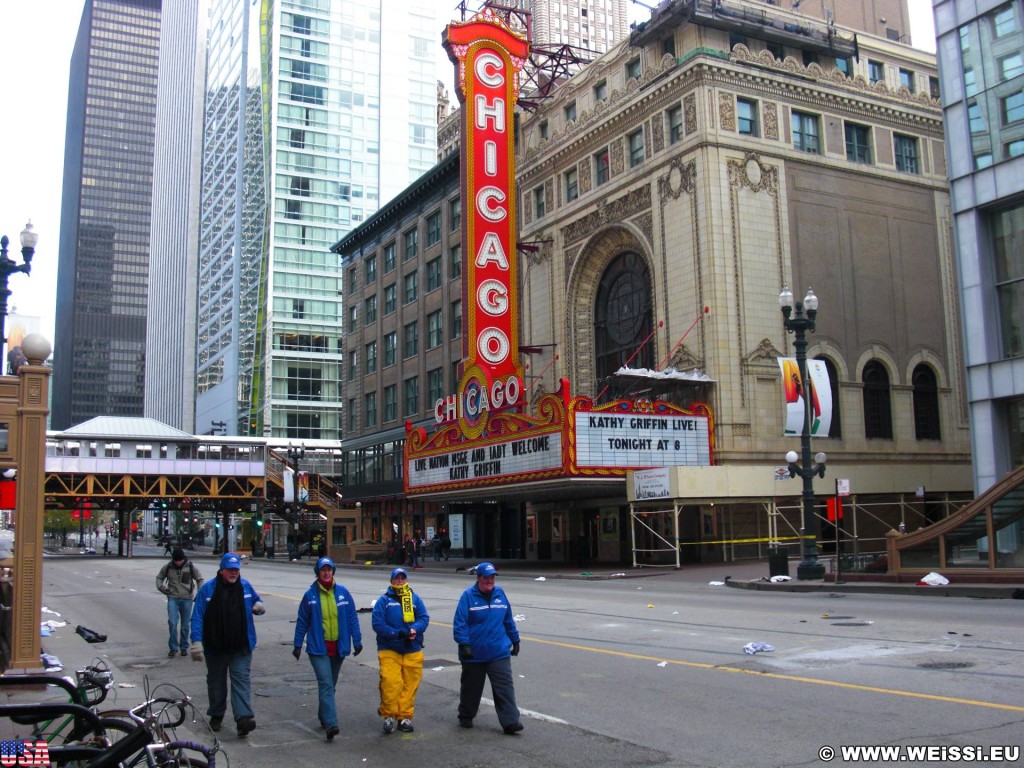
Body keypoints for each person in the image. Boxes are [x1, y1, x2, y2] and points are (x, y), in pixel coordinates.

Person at [190, 552, 265, 737]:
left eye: (236, 570)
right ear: (222, 570)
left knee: (241, 681)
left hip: (240, 646)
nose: (234, 573)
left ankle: (243, 719)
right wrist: (197, 642)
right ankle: (216, 713)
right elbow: (197, 616)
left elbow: (256, 600)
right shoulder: (208, 589)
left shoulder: (245, 586)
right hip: (215, 646)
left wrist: (259, 606)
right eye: (230, 570)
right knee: (217, 683)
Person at [292, 557, 363, 741]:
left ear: (333, 571)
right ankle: (331, 724)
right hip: (318, 648)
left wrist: (357, 640)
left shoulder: (343, 593)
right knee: (326, 684)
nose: (326, 573)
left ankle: (323, 715)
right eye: (323, 570)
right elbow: (302, 621)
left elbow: (352, 619)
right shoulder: (310, 596)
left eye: (329, 570)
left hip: (338, 648)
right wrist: (298, 644)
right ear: (318, 572)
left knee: (330, 686)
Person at [452, 562, 523, 734]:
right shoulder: (468, 596)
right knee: (471, 689)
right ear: (479, 578)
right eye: (486, 578)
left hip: (498, 652)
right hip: (474, 654)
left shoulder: (500, 594)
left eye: (492, 578)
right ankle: (466, 715)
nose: (489, 581)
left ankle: (511, 722)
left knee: (505, 689)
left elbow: (508, 619)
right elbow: (459, 623)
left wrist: (515, 640)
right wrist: (464, 644)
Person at [371, 567, 429, 734]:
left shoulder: (414, 598)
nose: (400, 581)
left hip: (412, 648)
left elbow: (424, 618)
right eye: (397, 579)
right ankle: (389, 715)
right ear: (391, 581)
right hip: (389, 648)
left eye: (402, 578)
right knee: (390, 683)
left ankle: (404, 717)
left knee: (410, 684)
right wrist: (396, 634)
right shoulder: (384, 601)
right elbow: (378, 624)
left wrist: (414, 630)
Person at [156, 547, 204, 658]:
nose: (178, 562)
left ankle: (183, 647)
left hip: (187, 599)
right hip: (173, 598)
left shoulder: (190, 566)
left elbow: (200, 579)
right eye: (176, 560)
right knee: (172, 622)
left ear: (183, 559)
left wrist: (199, 593)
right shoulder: (168, 567)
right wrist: (162, 588)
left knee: (185, 625)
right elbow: (159, 578)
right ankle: (173, 647)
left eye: (180, 560)